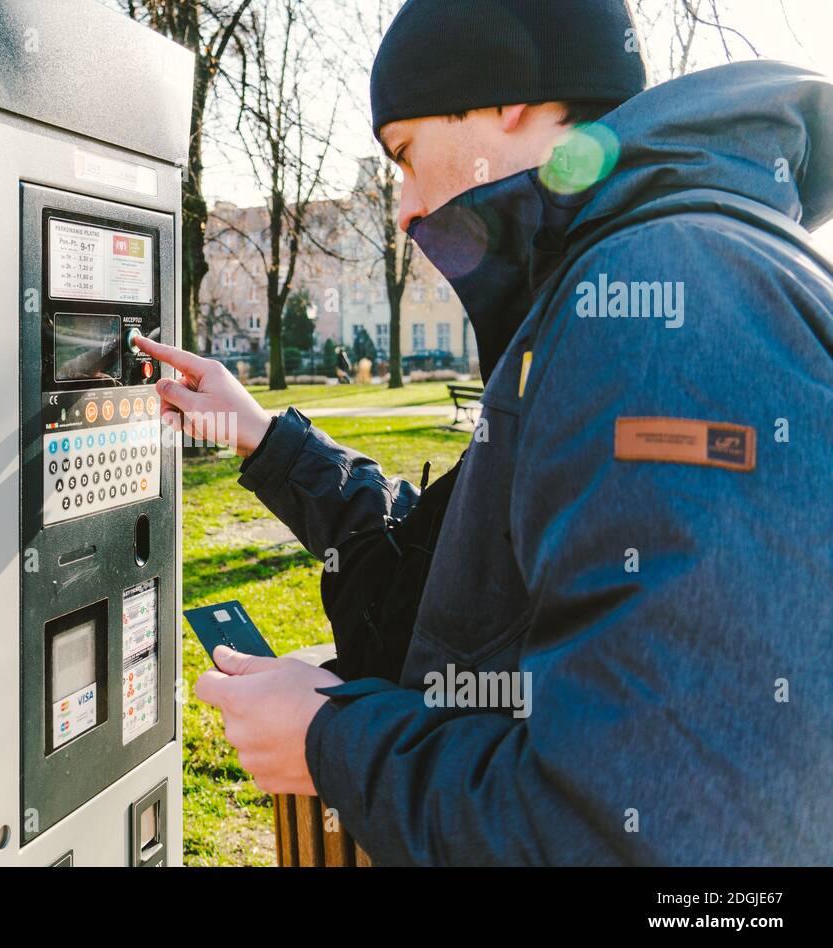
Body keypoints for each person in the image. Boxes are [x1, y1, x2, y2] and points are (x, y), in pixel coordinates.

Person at [136, 0, 833, 865]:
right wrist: (265, 438)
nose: (401, 207)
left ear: (504, 98)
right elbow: (462, 584)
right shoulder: (615, 277)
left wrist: (333, 743)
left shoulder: (670, 291)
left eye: (403, 154)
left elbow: (654, 841)